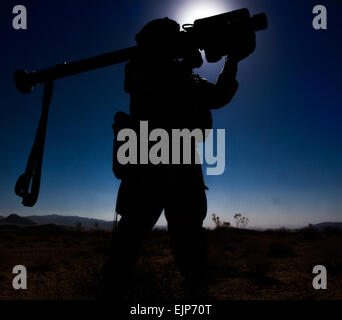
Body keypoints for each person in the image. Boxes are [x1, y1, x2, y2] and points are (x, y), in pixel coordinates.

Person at [102, 17, 256, 299]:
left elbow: (219, 96)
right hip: (145, 170)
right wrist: (187, 63)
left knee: (190, 250)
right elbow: (155, 87)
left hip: (183, 172)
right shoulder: (139, 67)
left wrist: (233, 60)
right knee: (127, 246)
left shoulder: (187, 79)